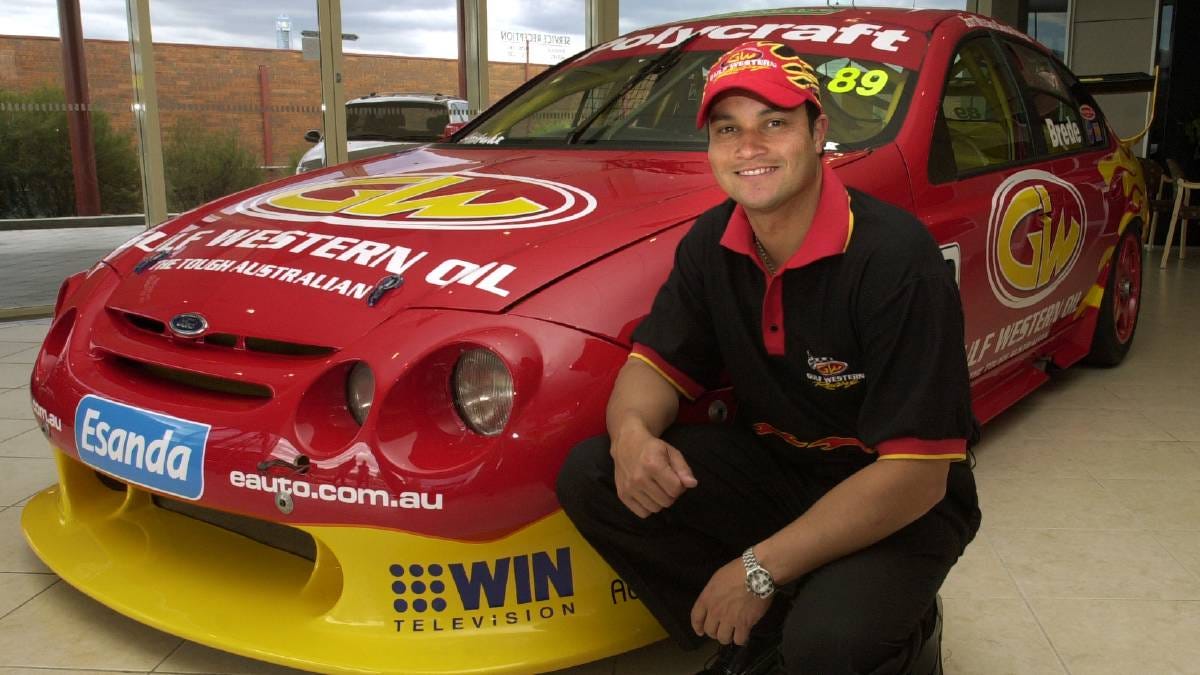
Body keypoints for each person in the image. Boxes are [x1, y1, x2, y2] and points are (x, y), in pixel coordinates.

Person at [556, 41, 981, 675]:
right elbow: (652, 366)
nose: (748, 147)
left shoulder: (896, 260)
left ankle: (902, 629)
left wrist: (756, 568)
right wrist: (632, 436)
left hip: (898, 499)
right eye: (728, 129)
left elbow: (916, 477)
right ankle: (766, 631)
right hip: (783, 469)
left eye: (774, 123)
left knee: (831, 645)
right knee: (593, 474)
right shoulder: (713, 240)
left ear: (818, 133)